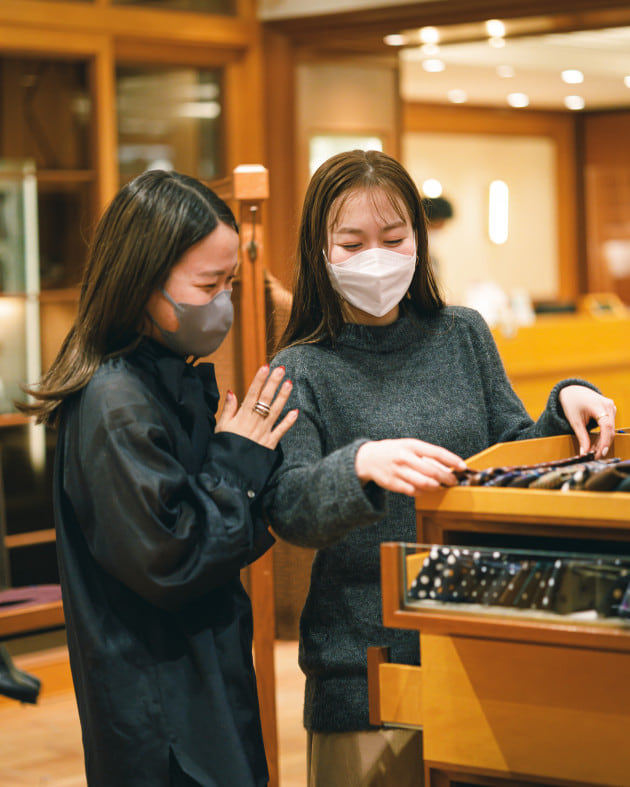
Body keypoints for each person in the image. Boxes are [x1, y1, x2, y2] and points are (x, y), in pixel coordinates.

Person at [262, 149, 616, 787]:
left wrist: (565, 404)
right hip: (363, 670)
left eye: (394, 238)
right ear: (319, 251)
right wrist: (360, 465)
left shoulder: (463, 334)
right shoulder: (301, 367)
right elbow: (291, 507)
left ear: (419, 242)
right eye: (352, 243)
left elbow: (509, 454)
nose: (377, 257)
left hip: (482, 644)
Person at [18, 170, 298, 787]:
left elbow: (228, 533)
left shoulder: (167, 375)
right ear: (142, 281)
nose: (223, 302)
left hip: (201, 680)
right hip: (165, 710)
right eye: (208, 285)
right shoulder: (115, 401)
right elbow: (174, 558)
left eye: (229, 283)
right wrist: (237, 456)